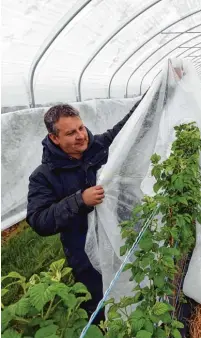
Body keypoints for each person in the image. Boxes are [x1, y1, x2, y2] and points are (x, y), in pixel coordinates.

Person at [26, 96, 144, 324]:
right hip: (84, 254)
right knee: (100, 305)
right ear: (54, 138)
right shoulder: (44, 176)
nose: (81, 135)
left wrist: (164, 85)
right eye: (71, 133)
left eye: (81, 127)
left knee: (131, 287)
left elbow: (131, 124)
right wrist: (80, 200)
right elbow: (39, 220)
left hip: (120, 238)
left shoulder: (99, 147)